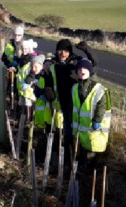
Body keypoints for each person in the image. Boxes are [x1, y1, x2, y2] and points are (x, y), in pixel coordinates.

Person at [44, 39, 98, 167]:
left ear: (70, 51)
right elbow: (48, 78)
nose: (62, 53)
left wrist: (86, 50)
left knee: (81, 134)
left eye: (66, 50)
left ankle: (82, 161)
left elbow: (94, 63)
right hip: (63, 105)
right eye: (60, 50)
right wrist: (48, 89)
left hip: (79, 105)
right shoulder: (52, 64)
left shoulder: (77, 61)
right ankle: (68, 160)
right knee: (67, 133)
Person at [72, 58, 111, 171]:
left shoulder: (98, 89)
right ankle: (82, 170)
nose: (81, 71)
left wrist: (97, 120)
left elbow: (102, 106)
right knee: (83, 149)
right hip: (80, 127)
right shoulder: (75, 88)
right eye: (79, 69)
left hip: (92, 127)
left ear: (90, 71)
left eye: (84, 68)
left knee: (92, 149)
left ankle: (90, 172)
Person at [19, 54, 45, 124]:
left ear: (41, 67)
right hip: (35, 96)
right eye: (32, 67)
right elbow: (29, 78)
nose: (33, 69)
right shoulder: (32, 73)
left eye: (36, 67)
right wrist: (26, 83)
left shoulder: (44, 76)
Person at [1, 25, 25, 99]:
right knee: (10, 91)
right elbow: (3, 57)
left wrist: (17, 65)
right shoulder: (9, 45)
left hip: (21, 73)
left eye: (19, 35)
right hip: (10, 72)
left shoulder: (25, 46)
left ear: (22, 35)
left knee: (19, 93)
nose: (16, 37)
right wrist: (9, 65)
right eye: (15, 35)